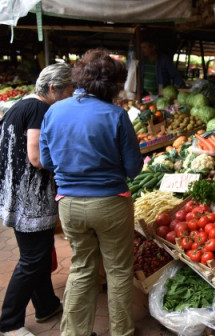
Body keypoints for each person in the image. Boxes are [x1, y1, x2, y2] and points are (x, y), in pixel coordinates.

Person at [39, 49, 143, 336]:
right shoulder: (116, 115)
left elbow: (47, 161)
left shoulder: (54, 111)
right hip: (110, 203)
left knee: (82, 267)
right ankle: (121, 332)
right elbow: (134, 168)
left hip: (69, 205)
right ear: (113, 85)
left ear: (80, 77)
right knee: (118, 271)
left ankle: (74, 333)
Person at [0, 63, 74, 336]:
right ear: (54, 88)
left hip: (16, 194)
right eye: (68, 90)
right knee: (32, 260)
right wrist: (70, 161)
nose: (70, 96)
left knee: (39, 256)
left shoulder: (21, 105)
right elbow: (37, 157)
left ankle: (45, 306)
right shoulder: (40, 110)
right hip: (29, 200)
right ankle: (9, 323)